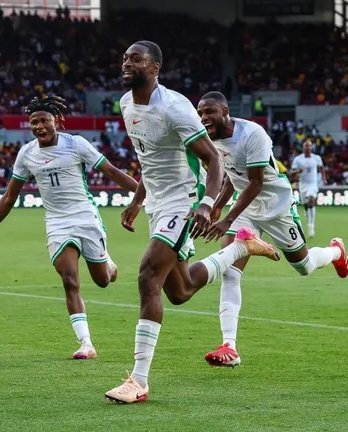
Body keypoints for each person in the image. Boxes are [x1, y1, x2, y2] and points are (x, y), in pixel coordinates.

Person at [104, 42, 279, 404]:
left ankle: (138, 381)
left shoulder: (175, 106)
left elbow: (213, 159)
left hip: (183, 200)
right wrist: (138, 200)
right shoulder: (125, 104)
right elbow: (148, 161)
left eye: (135, 58)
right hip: (157, 203)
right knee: (179, 291)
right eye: (124, 58)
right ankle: (241, 248)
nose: (126, 63)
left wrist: (206, 204)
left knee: (147, 275)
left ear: (154, 68)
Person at [0, 96, 138, 360]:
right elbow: (9, 196)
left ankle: (109, 265)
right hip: (57, 222)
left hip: (85, 217)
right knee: (70, 280)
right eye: (34, 122)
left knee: (103, 281)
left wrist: (142, 193)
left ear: (56, 122)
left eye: (44, 120)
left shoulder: (76, 144)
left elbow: (112, 171)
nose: (39, 126)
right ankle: (86, 344)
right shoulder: (26, 154)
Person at [197, 92, 348, 367]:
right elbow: (234, 175)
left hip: (275, 206)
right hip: (245, 209)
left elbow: (256, 183)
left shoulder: (252, 134)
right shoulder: (211, 140)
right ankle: (229, 347)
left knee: (303, 266)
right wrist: (218, 205)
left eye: (209, 112)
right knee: (231, 272)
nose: (204, 118)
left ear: (225, 110)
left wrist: (227, 219)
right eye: (200, 113)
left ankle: (335, 252)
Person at [290, 140, 324, 238]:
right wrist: (298, 171)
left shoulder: (316, 158)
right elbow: (292, 172)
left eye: (309, 146)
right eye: (306, 146)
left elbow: (321, 167)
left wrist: (324, 177)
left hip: (313, 183)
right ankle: (308, 213)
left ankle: (311, 225)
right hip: (303, 184)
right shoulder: (298, 159)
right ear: (303, 147)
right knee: (305, 204)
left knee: (311, 200)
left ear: (311, 147)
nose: (308, 148)